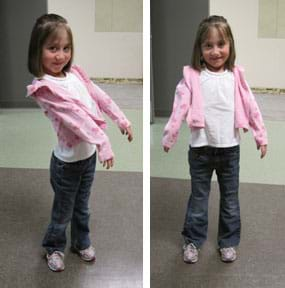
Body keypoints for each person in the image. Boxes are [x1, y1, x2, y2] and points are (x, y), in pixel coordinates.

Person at [27, 14, 133, 272]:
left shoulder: (74, 74)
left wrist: (120, 119)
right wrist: (103, 142)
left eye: (66, 48)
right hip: (66, 165)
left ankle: (81, 241)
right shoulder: (44, 88)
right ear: (37, 51)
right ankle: (53, 246)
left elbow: (99, 95)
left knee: (82, 207)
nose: (60, 55)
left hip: (86, 160)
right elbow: (76, 119)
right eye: (52, 48)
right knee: (63, 211)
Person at [162, 15, 267, 264]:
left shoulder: (236, 77)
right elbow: (179, 108)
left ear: (230, 46)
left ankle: (228, 242)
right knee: (199, 198)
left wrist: (260, 135)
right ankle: (193, 241)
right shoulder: (192, 77)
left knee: (230, 199)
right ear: (199, 48)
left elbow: (251, 107)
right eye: (208, 45)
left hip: (230, 150)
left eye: (221, 44)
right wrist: (170, 136)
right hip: (200, 150)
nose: (215, 51)